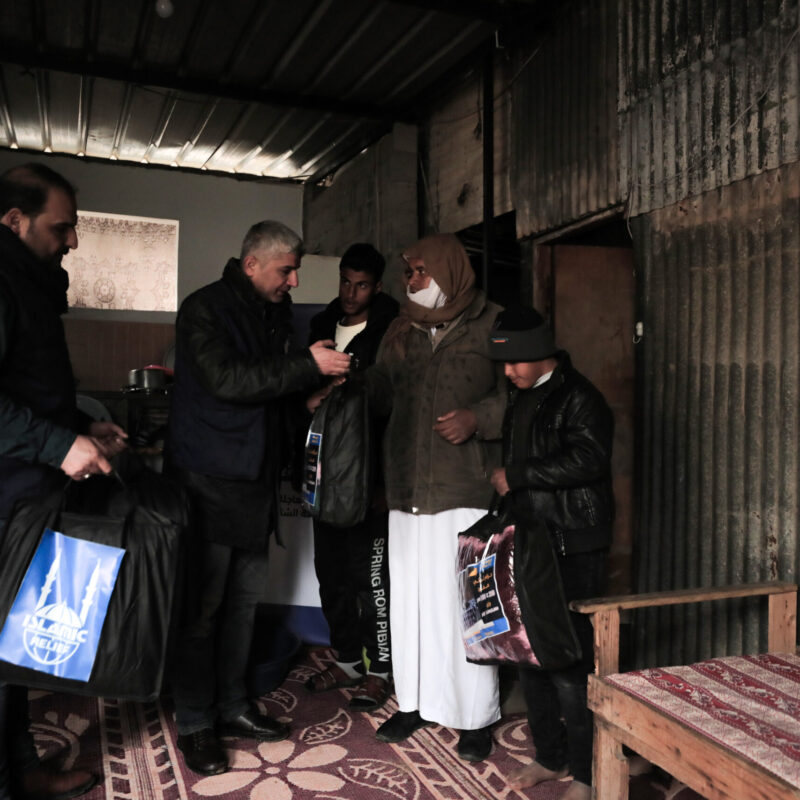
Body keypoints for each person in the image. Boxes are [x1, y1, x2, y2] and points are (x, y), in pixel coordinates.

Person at [166, 220, 351, 777]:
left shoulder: (269, 315)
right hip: (209, 482)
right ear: (252, 265)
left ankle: (232, 706)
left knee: (242, 609)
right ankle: (197, 722)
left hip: (254, 485)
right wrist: (305, 366)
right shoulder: (205, 309)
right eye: (286, 270)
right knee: (202, 612)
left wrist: (306, 397)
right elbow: (228, 380)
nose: (294, 280)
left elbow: (266, 395)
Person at [0, 163, 128, 800]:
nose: (73, 241)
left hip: (27, 490)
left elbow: (32, 389)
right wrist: (58, 443)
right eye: (63, 226)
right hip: (3, 495)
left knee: (14, 649)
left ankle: (22, 771)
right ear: (14, 221)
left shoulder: (31, 284)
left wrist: (82, 428)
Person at [370, 233, 505, 762]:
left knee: (465, 609)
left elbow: (519, 390)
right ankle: (416, 703)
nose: (411, 281)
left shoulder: (491, 323)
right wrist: (349, 385)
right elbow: (382, 392)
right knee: (411, 602)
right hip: (406, 487)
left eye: (421, 271)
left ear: (449, 271)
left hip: (464, 486)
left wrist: (480, 418)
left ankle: (474, 718)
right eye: (408, 273)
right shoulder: (400, 329)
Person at [487, 307, 614, 800]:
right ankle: (549, 755)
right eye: (504, 363)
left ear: (544, 353)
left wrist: (516, 477)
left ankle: (585, 773)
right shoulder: (521, 395)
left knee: (569, 662)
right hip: (530, 541)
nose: (508, 371)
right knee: (528, 652)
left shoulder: (580, 398)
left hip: (571, 544)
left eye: (516, 361)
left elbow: (589, 460)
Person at [303, 243, 398, 712]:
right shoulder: (321, 326)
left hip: (369, 476)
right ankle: (347, 661)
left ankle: (381, 669)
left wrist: (385, 482)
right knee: (331, 574)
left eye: (361, 285)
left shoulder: (394, 331)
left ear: (377, 287)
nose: (351, 292)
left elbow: (396, 407)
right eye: (345, 281)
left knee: (372, 580)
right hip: (325, 470)